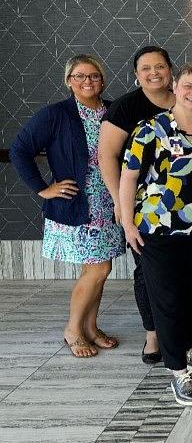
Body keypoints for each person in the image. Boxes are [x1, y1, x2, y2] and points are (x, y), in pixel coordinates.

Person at [119, 64, 192, 406]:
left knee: (191, 292)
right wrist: (127, 222)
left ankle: (187, 349)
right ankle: (178, 372)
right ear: (177, 87)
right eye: (188, 87)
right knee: (166, 297)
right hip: (157, 228)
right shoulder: (151, 129)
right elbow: (128, 178)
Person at [10, 55, 124, 358]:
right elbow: (20, 149)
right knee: (99, 269)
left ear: (103, 79)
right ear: (68, 81)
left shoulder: (114, 111)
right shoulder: (56, 114)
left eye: (94, 75)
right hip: (78, 206)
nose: (87, 81)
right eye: (79, 76)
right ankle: (73, 330)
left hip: (108, 204)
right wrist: (43, 188)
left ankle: (91, 328)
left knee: (100, 268)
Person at [99, 46, 176, 364]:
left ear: (171, 70)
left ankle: (177, 331)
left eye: (160, 66)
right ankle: (153, 335)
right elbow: (106, 156)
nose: (154, 73)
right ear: (136, 75)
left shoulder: (183, 100)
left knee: (179, 271)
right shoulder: (125, 107)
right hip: (141, 205)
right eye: (146, 68)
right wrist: (120, 201)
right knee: (147, 271)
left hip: (183, 205)